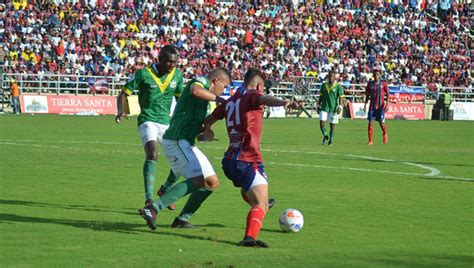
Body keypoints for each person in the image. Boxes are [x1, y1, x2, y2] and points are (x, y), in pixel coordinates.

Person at [202, 68, 299, 247]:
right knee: (261, 204)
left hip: (230, 160)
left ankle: (256, 200)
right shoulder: (253, 95)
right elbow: (263, 99)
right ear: (259, 85)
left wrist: (207, 130)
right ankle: (249, 237)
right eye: (263, 87)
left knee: (258, 185)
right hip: (246, 158)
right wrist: (285, 102)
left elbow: (209, 119)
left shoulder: (230, 100)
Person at [139, 67, 231, 230]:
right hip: (176, 140)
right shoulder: (201, 82)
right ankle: (153, 208)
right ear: (216, 81)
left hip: (186, 142)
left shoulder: (206, 103)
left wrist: (206, 133)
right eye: (224, 86)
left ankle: (181, 219)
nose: (224, 90)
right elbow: (195, 90)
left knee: (211, 182)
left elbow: (197, 132)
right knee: (197, 179)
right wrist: (219, 99)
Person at [116, 45, 184, 211]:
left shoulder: (177, 75)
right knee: (152, 153)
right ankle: (148, 199)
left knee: (182, 160)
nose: (172, 65)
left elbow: (180, 98)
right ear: (159, 59)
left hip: (167, 122)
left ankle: (165, 190)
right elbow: (124, 92)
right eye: (169, 62)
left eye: (175, 62)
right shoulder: (143, 74)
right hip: (148, 120)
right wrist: (121, 109)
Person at [316, 70, 344, 146]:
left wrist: (340, 106)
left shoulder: (338, 86)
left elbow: (341, 97)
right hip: (324, 107)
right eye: (329, 76)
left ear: (335, 77)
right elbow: (321, 96)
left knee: (332, 126)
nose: (330, 78)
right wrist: (318, 105)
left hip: (333, 108)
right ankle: (325, 135)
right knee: (321, 123)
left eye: (332, 76)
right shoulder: (324, 85)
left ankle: (330, 140)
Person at [364, 69, 389, 145]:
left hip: (380, 107)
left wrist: (387, 104)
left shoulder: (383, 84)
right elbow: (367, 95)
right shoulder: (370, 84)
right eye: (375, 74)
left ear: (380, 75)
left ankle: (385, 133)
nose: (376, 76)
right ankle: (370, 140)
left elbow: (388, 95)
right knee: (370, 122)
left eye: (377, 74)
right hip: (372, 107)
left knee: (381, 123)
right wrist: (365, 104)